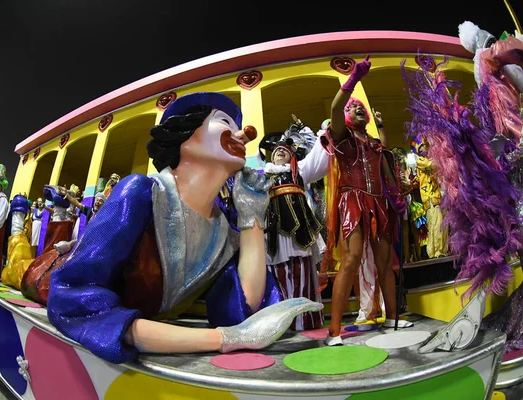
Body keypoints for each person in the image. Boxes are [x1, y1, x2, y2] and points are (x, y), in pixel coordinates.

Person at [47, 92, 322, 364]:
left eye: (240, 128)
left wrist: (252, 217)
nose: (244, 135)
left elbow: (242, 310)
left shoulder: (223, 230)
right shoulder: (141, 193)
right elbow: (72, 299)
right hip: (47, 276)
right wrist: (224, 339)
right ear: (185, 135)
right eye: (225, 122)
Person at [321, 56, 412, 346]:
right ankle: (334, 330)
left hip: (378, 204)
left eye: (361, 108)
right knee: (351, 259)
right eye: (354, 107)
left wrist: (398, 199)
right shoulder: (342, 137)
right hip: (352, 201)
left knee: (385, 264)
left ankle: (393, 316)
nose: (358, 108)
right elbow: (336, 106)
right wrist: (353, 80)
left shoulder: (375, 146)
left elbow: (389, 179)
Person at [261, 125, 328, 331]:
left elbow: (319, 156)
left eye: (285, 149)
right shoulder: (262, 175)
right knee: (278, 275)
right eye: (277, 150)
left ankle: (305, 320)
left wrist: (325, 132)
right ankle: (283, 324)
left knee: (302, 271)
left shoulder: (300, 170)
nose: (280, 151)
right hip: (273, 233)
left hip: (300, 231)